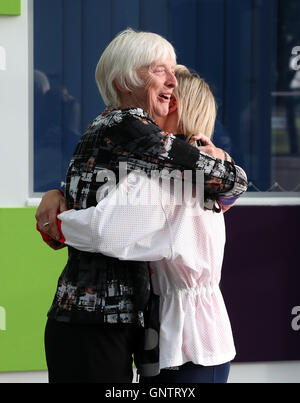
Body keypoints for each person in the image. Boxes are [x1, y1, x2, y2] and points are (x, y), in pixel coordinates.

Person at [36, 28, 247, 383]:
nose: (171, 86)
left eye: (173, 76)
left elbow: (102, 228)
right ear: (125, 82)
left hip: (170, 339)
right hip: (112, 326)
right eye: (159, 71)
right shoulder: (132, 131)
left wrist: (58, 219)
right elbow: (107, 227)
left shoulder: (168, 172)